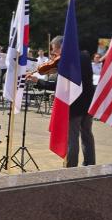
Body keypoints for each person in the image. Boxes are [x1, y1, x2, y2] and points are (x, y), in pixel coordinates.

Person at [28, 35, 96, 167]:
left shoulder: (66, 60)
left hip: (74, 104)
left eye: (55, 50)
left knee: (72, 137)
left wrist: (39, 81)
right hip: (88, 102)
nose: (54, 54)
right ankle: (90, 164)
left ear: (62, 47)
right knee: (87, 134)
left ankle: (71, 167)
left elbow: (59, 85)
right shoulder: (85, 55)